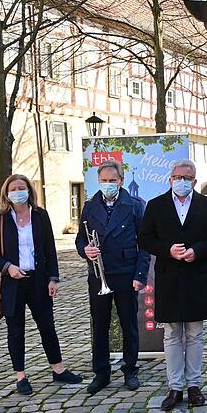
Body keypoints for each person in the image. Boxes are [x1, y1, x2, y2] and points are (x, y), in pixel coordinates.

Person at [138, 159, 207, 410]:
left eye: (187, 178)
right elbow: (144, 238)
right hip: (168, 277)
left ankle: (194, 385)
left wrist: (197, 251)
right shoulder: (156, 206)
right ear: (170, 179)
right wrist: (167, 249)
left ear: (194, 181)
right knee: (172, 334)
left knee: (195, 334)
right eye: (177, 177)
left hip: (196, 276)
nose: (181, 181)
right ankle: (175, 386)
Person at [0, 174, 82, 395]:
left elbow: (49, 249)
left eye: (22, 187)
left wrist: (53, 277)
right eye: (13, 188)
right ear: (6, 193)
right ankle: (21, 376)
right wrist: (7, 266)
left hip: (38, 280)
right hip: (11, 282)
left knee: (47, 325)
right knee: (16, 330)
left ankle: (58, 369)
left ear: (29, 190)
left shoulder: (40, 215)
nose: (18, 191)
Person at [76, 160, 150, 394]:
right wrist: (84, 250)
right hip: (99, 275)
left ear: (121, 181)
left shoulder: (135, 205)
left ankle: (130, 370)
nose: (108, 185)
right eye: (104, 181)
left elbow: (145, 244)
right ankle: (101, 373)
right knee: (100, 325)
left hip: (126, 273)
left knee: (129, 324)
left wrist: (140, 275)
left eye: (112, 181)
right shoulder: (89, 206)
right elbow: (80, 239)